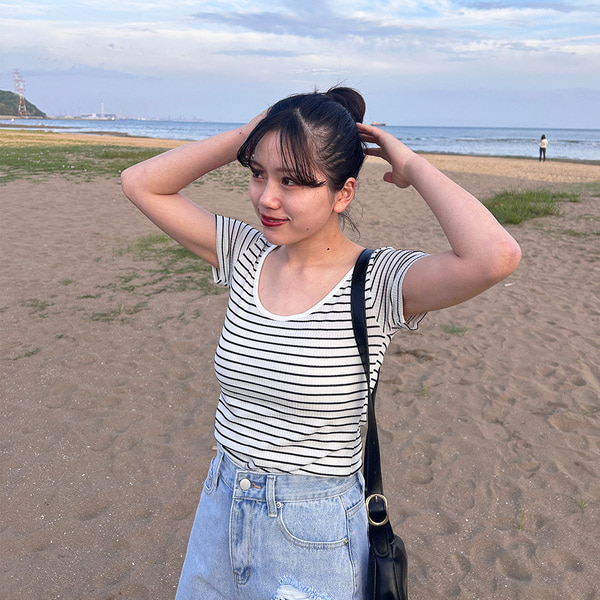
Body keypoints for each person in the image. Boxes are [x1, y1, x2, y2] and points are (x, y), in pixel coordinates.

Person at [121, 86, 521, 600]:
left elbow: (495, 256)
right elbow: (140, 183)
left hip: (313, 526)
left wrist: (410, 165)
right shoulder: (245, 254)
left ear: (343, 193)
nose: (267, 198)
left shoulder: (376, 280)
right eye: (258, 173)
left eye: (292, 181)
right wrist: (251, 133)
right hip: (221, 501)